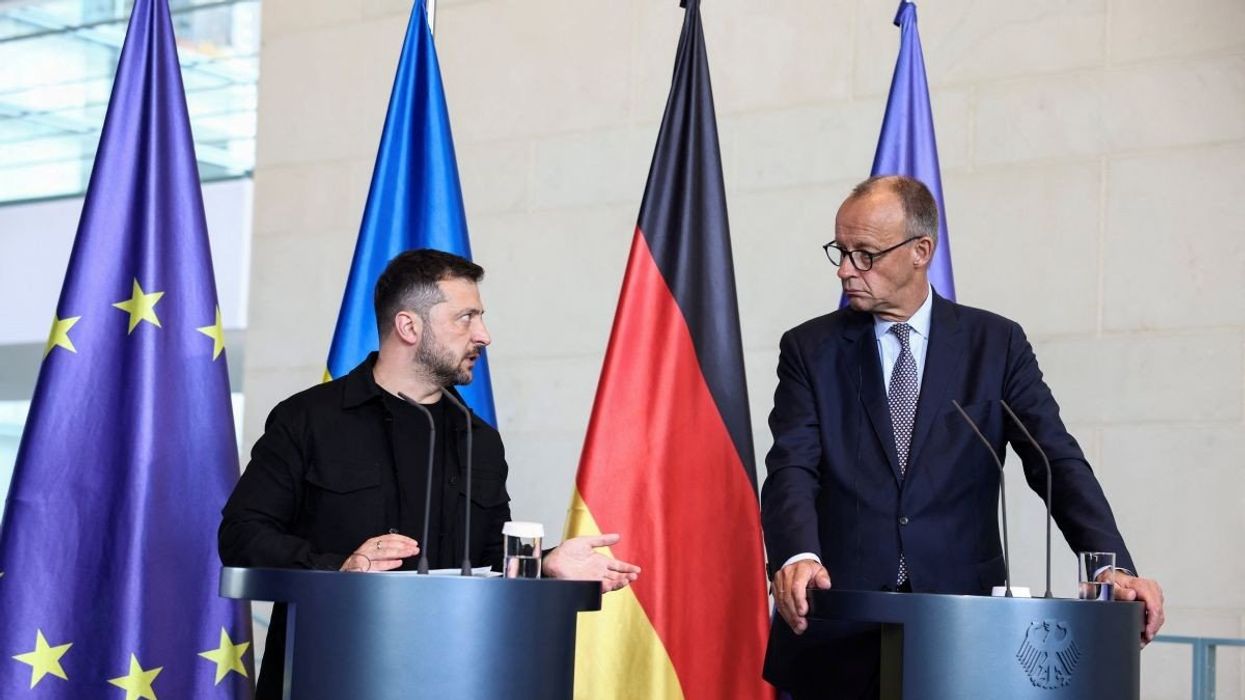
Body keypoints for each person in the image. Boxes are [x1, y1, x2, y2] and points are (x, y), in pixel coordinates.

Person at [759, 175, 1165, 698]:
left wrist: (1112, 565)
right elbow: (792, 465)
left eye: (865, 254)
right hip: (839, 626)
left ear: (920, 251)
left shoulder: (995, 344)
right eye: (840, 251)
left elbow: (1055, 461)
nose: (845, 269)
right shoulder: (808, 349)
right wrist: (797, 556)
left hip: (966, 637)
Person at [219, 249, 640, 697]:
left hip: (456, 674)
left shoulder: (478, 437)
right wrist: (339, 566)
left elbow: (487, 559)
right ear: (409, 327)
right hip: (326, 671)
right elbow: (242, 535)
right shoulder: (308, 418)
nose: (484, 335)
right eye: (466, 318)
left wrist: (547, 563)